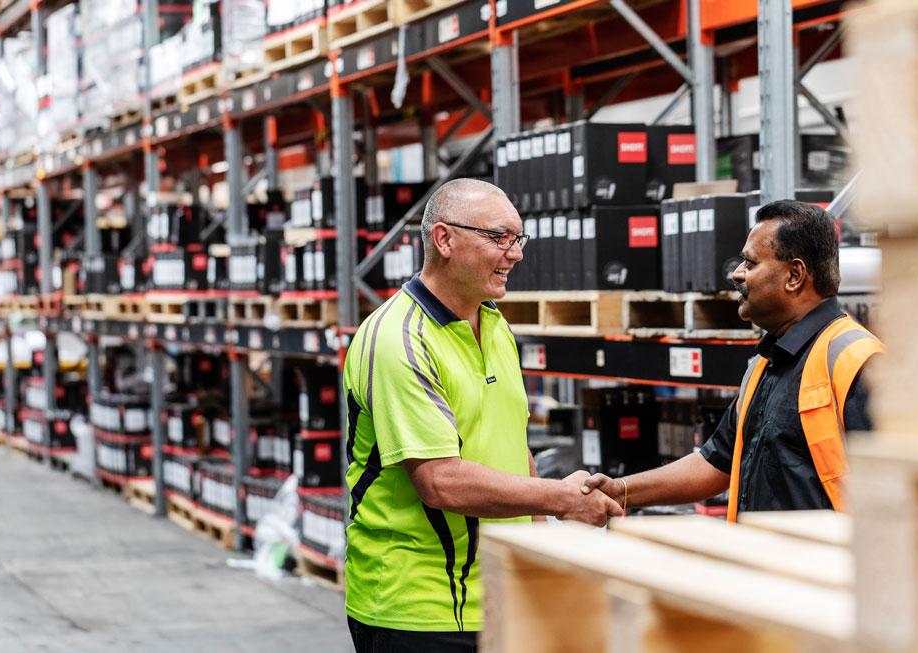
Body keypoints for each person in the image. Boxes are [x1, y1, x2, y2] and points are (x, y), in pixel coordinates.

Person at [342, 178, 622, 652]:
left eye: (518, 238)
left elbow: (514, 446)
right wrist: (560, 499)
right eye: (499, 237)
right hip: (419, 608)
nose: (515, 253)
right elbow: (439, 481)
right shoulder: (398, 340)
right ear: (444, 239)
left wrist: (543, 553)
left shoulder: (493, 325)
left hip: (498, 592)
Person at [583, 200, 884, 521]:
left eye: (750, 264)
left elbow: (892, 491)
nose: (736, 274)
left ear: (794, 275)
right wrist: (619, 490)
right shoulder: (764, 363)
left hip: (825, 565)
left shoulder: (857, 362)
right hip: (761, 562)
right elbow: (715, 463)